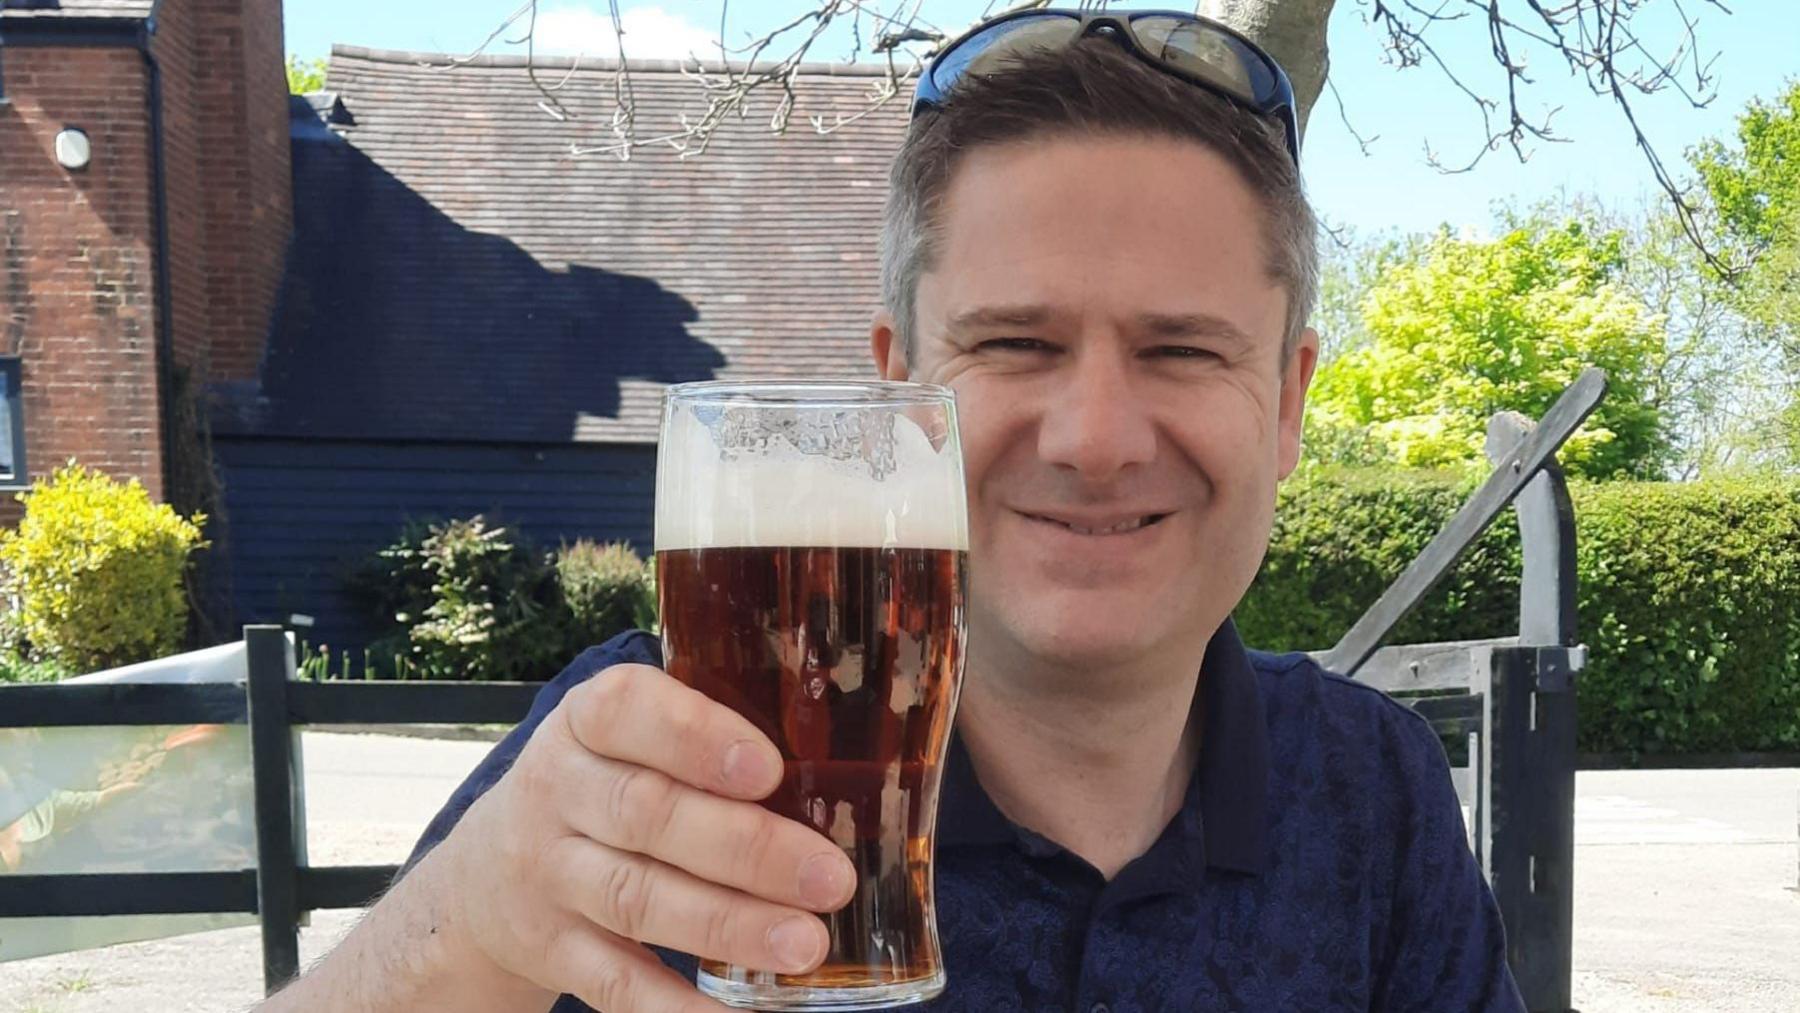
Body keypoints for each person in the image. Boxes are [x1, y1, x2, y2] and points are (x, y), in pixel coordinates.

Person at [260, 10, 1525, 1011]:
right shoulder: (651, 760)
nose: (1093, 439)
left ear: (1290, 399)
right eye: (1018, 342)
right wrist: (457, 935)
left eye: (1185, 350)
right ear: (896, 387)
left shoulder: (1375, 791)